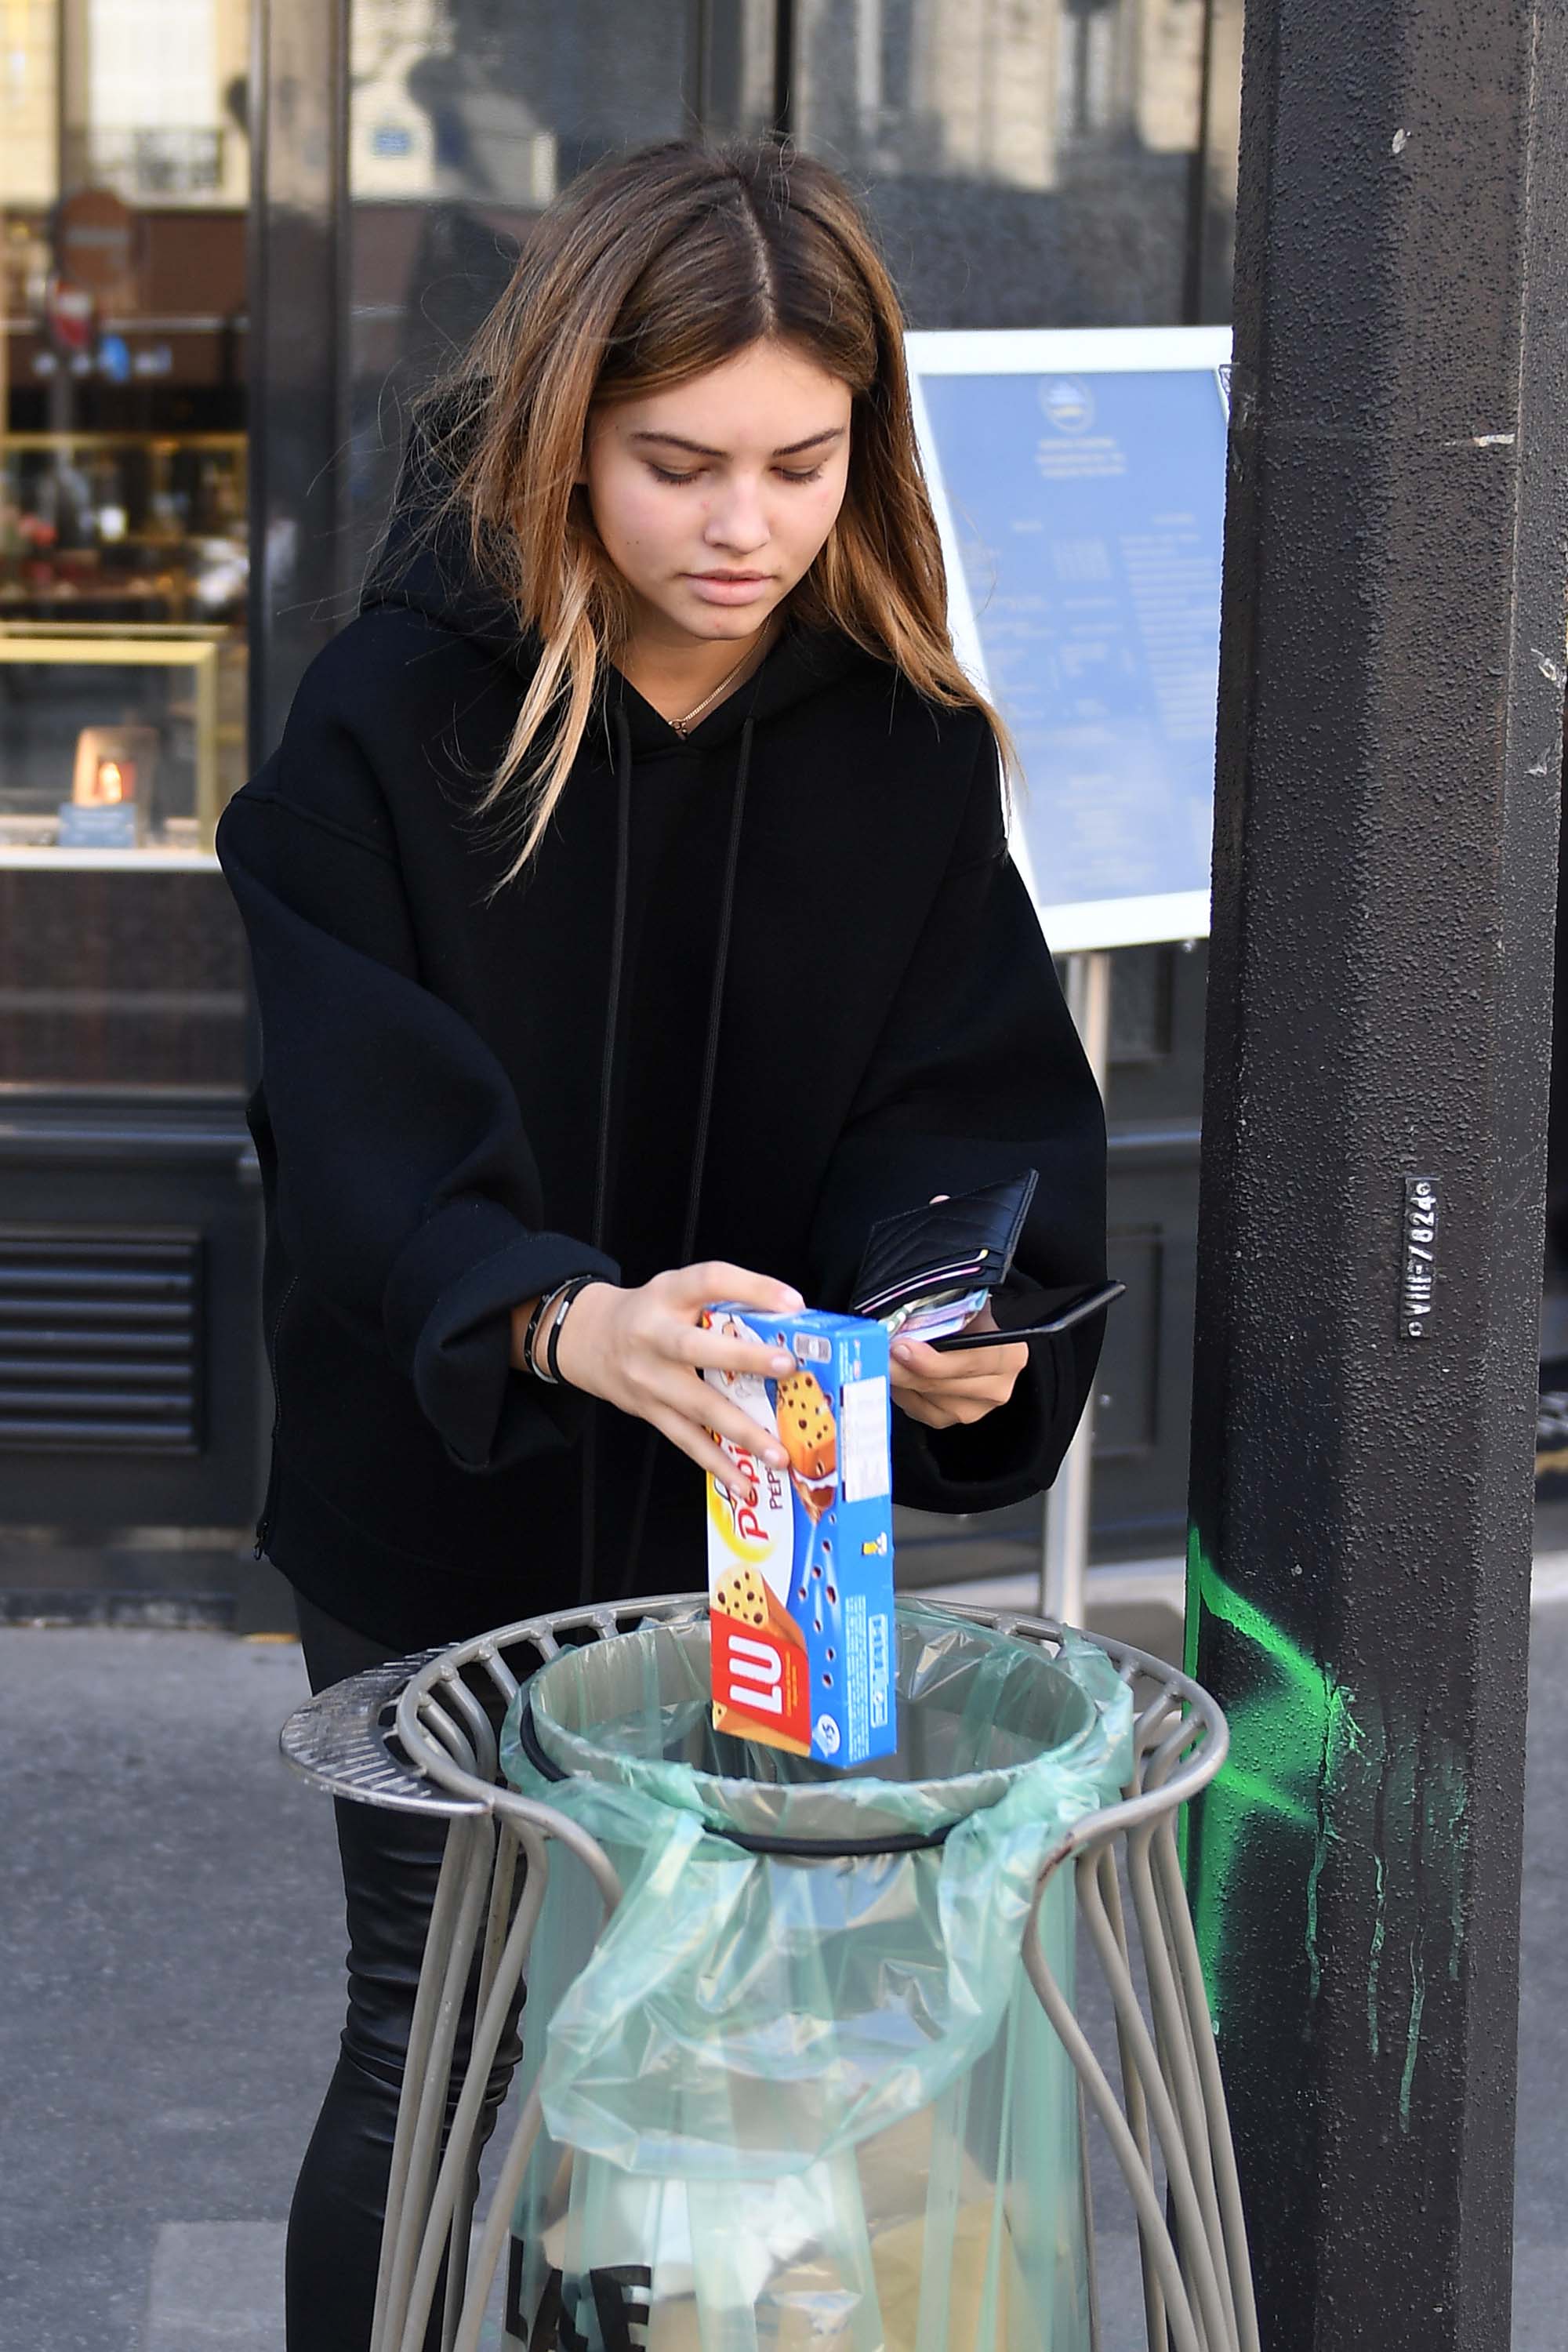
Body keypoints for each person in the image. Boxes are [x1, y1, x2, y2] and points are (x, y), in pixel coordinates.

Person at [216, 132, 1108, 2352]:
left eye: (805, 464)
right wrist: (553, 1319)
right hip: (442, 1507)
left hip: (772, 1525)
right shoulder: (401, 712)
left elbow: (969, 1111)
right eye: (679, 462)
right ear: (564, 437)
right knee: (439, 2041)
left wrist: (958, 1334)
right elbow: (342, 1125)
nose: (746, 529)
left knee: (740, 2050)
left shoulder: (899, 746)